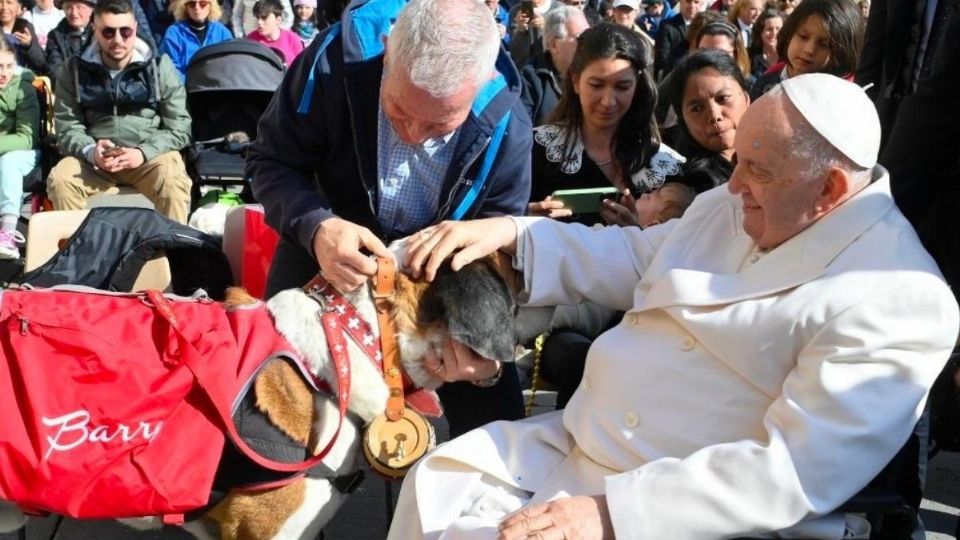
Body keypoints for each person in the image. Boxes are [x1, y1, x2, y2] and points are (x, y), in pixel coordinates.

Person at [388, 72, 960, 540]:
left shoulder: (902, 298)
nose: (731, 186)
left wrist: (614, 515)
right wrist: (512, 234)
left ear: (830, 190)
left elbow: (790, 472)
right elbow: (640, 257)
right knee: (434, 484)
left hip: (673, 509)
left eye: (755, 170)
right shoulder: (745, 201)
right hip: (585, 438)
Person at [246, 0, 534, 438]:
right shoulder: (331, 63)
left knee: (499, 424)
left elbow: (497, 246)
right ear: (387, 50)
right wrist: (316, 226)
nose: (413, 136)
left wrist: (486, 362)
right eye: (398, 111)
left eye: (440, 127)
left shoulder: (507, 124)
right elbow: (271, 161)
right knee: (272, 411)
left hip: (437, 286)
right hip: (325, 250)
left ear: (481, 86)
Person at [47, 0, 193, 224]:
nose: (117, 40)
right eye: (108, 32)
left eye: (125, 32)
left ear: (135, 29)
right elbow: (67, 127)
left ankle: (174, 255)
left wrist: (142, 152)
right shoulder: (74, 70)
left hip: (149, 157)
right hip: (95, 160)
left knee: (173, 179)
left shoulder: (158, 66)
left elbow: (180, 127)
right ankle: (77, 254)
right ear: (94, 30)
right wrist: (90, 151)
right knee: (61, 179)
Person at [528, 23, 684, 227]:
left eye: (622, 87)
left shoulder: (664, 166)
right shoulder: (535, 150)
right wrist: (524, 218)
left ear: (637, 86)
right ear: (576, 81)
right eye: (597, 85)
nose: (608, 101)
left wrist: (636, 233)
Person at [751, 0, 864, 100]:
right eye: (803, 36)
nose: (809, 50)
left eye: (824, 44)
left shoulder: (843, 98)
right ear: (790, 33)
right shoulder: (765, 84)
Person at [519, 5, 590, 126]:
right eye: (581, 38)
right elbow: (522, 133)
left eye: (590, 35)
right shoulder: (530, 79)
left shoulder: (595, 73)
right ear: (554, 45)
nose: (588, 44)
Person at [0, 38, 37, 260]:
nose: (3, 73)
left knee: (9, 162)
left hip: (25, 151)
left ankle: (8, 232)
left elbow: (27, 138)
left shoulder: (23, 88)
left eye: (8, 66)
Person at [161, 0, 233, 82]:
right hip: (188, 90)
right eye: (192, 4)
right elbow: (173, 70)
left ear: (210, 5)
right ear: (185, 7)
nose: (197, 8)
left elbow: (229, 66)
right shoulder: (173, 34)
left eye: (203, 3)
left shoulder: (223, 32)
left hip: (217, 87)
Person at [43, 0, 92, 83]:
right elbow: (55, 70)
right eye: (68, 7)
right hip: (71, 90)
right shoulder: (56, 36)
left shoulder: (103, 31)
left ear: (92, 8)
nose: (74, 13)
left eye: (80, 7)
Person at [654, 0, 702, 79]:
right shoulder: (667, 26)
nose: (692, 6)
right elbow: (662, 61)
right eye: (688, 1)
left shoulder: (707, 25)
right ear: (681, 2)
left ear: (701, 4)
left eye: (696, 2)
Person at [245, 0, 303, 65]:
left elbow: (301, 67)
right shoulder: (250, 40)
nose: (259, 22)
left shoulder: (293, 39)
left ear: (278, 20)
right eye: (258, 18)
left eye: (264, 18)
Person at [0, 0, 44, 74]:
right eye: (0, 2)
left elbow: (40, 63)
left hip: (22, 79)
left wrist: (29, 46)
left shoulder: (26, 28)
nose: (4, 7)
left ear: (19, 7)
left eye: (9, 2)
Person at [508, 0, 556, 68]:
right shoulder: (516, 12)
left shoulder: (558, 9)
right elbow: (516, 54)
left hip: (549, 69)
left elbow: (561, 46)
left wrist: (545, 27)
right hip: (525, 71)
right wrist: (521, 30)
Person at [748, 8, 784, 78]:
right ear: (760, 31)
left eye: (778, 29)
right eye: (769, 29)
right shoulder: (749, 55)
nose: (774, 33)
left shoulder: (788, 55)